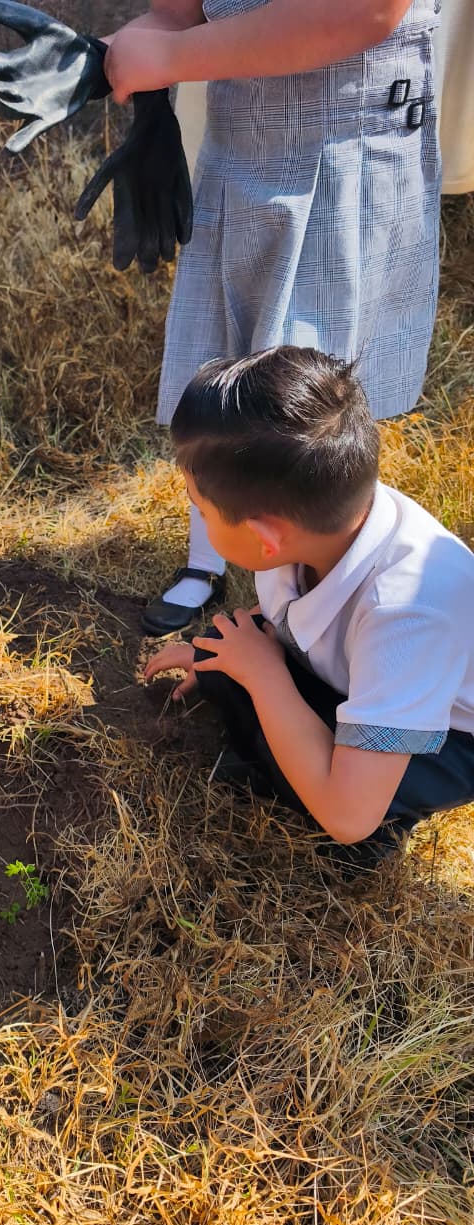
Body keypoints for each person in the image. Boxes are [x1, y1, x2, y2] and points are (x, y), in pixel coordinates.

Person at [100, 0, 442, 636]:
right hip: (243, 148)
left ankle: (318, 604)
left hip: (346, 145)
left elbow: (364, 10)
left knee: (302, 405)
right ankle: (211, 561)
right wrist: (112, 60)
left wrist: (171, 59)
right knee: (222, 372)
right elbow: (183, 9)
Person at [144, 346, 474, 867]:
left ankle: (381, 829)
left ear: (263, 538)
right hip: (376, 677)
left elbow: (347, 816)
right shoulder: (321, 520)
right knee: (234, 663)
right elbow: (293, 619)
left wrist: (266, 676)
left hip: (450, 738)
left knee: (318, 784)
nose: (198, 518)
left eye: (201, 509)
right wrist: (214, 656)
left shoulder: (406, 612)